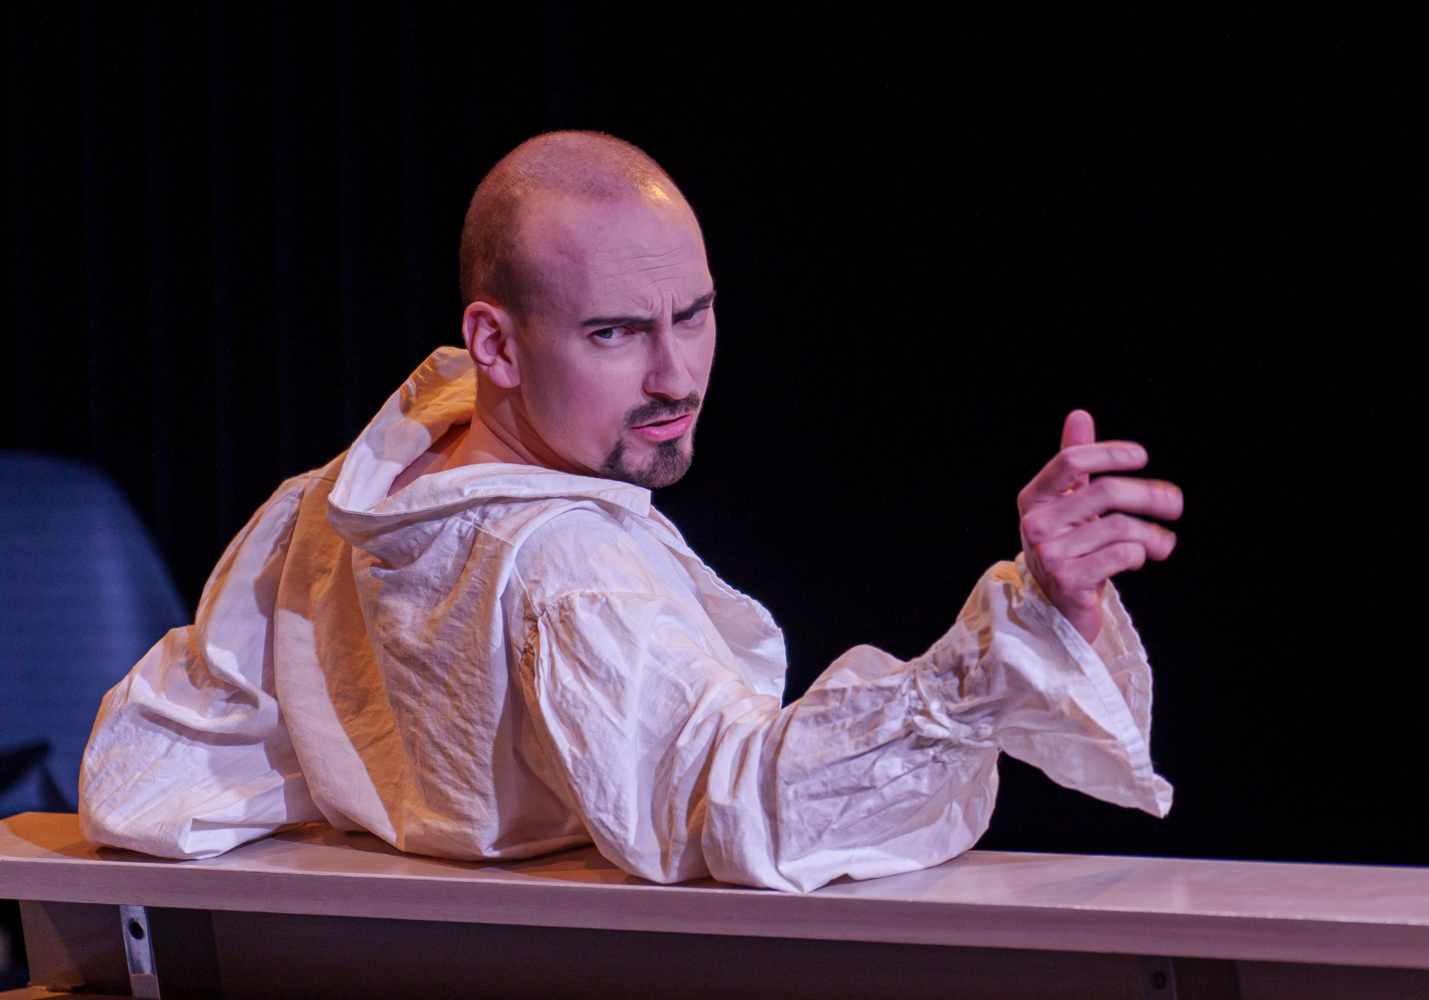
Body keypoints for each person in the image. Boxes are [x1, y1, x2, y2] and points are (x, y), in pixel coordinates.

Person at [79, 132, 1182, 892]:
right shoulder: (567, 566)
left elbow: (147, 780)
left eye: (692, 315)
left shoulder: (321, 507)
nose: (674, 376)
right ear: (495, 343)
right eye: (614, 333)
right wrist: (1004, 644)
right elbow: (740, 813)